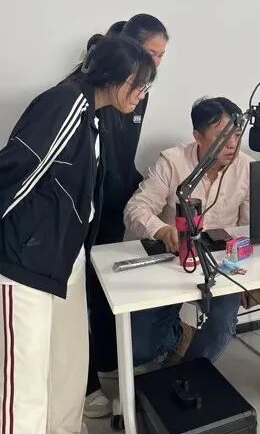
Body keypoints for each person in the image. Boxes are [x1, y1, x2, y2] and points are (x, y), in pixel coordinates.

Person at [0, 36, 156, 434]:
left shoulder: (94, 117)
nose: (142, 94)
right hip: (26, 262)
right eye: (139, 84)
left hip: (65, 260)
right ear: (114, 76)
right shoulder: (65, 102)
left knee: (68, 369)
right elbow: (15, 170)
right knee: (25, 384)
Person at [82, 14, 169, 419]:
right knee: (83, 295)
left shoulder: (140, 91)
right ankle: (87, 385)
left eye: (162, 56)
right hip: (87, 209)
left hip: (117, 204)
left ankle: (113, 372)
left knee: (109, 291)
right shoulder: (87, 92)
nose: (156, 64)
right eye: (151, 53)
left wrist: (142, 188)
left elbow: (122, 156)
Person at [123, 96, 250, 367]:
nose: (232, 144)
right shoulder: (173, 161)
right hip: (174, 260)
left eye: (237, 134)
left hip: (222, 264)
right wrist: (161, 230)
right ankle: (180, 335)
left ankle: (190, 375)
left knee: (222, 321)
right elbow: (136, 209)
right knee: (137, 348)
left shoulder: (246, 168)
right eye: (222, 135)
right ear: (198, 136)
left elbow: (250, 228)